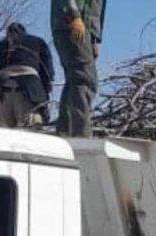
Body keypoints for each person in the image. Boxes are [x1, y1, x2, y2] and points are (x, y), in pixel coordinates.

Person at [0, 23, 54, 128]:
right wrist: (45, 92)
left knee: (3, 135)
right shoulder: (38, 42)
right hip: (30, 92)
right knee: (30, 133)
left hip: (2, 92)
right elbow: (47, 71)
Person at [51, 0, 106, 137]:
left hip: (82, 29)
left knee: (74, 81)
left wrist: (95, 38)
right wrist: (74, 15)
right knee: (85, 80)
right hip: (72, 25)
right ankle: (81, 135)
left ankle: (65, 133)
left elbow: (96, 8)